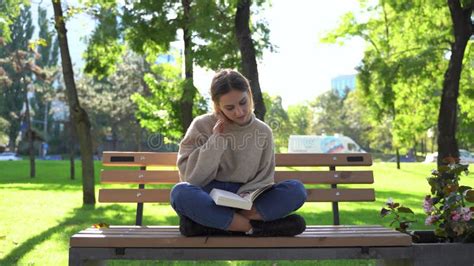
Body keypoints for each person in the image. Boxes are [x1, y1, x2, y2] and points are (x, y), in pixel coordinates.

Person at [170, 69, 307, 237]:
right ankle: (255, 228)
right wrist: (216, 141)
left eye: (243, 102)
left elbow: (264, 177)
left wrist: (245, 196)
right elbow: (191, 178)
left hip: (247, 201)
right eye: (229, 107)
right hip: (208, 198)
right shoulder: (201, 125)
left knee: (296, 190)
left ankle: (216, 224)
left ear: (249, 94)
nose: (239, 112)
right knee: (180, 193)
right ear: (217, 106)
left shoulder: (263, 131)